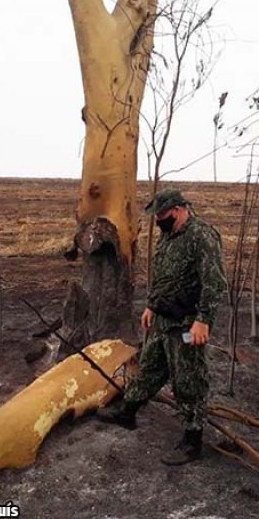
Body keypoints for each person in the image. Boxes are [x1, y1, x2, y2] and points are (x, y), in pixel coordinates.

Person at [96, 188, 227, 466]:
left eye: (163, 214)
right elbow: (164, 277)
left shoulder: (201, 237)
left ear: (179, 209)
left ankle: (193, 440)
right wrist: (151, 305)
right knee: (150, 366)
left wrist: (203, 320)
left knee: (188, 378)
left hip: (189, 325)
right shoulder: (168, 238)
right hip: (163, 320)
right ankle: (127, 413)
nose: (159, 220)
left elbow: (214, 284)